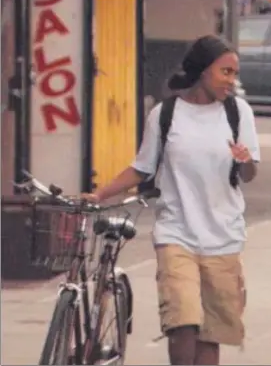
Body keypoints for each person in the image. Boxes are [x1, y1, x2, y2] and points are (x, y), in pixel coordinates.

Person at [83, 35, 261, 365]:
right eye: (225, 72)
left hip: (224, 237)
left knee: (212, 334)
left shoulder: (238, 113)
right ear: (203, 71)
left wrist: (244, 160)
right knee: (183, 323)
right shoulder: (165, 115)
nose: (231, 81)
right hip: (176, 234)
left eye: (234, 73)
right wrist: (100, 194)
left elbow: (249, 175)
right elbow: (141, 167)